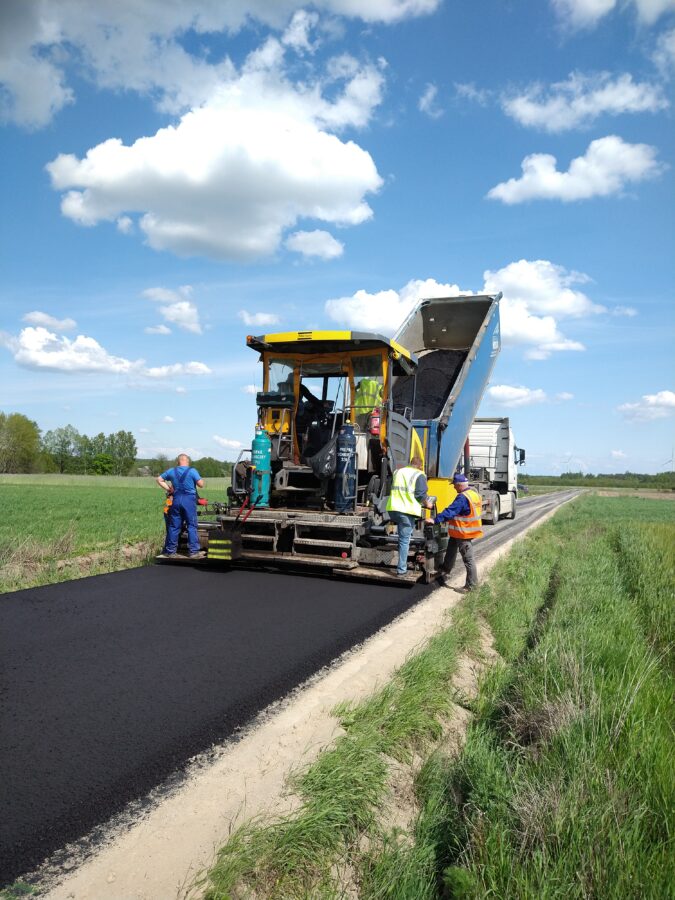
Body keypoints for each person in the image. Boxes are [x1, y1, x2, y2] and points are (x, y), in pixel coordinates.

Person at [386, 454, 434, 576]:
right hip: (406, 511)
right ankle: (401, 571)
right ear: (420, 466)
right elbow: (420, 494)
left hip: (393, 509)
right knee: (404, 541)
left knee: (401, 537)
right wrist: (427, 503)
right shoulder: (419, 475)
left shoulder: (398, 472)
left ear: (410, 463)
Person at [434, 473, 483, 591]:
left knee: (468, 559)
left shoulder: (462, 497)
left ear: (459, 485)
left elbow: (451, 511)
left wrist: (435, 520)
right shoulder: (474, 494)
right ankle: (446, 568)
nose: (454, 487)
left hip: (463, 533)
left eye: (454, 485)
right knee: (451, 549)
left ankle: (471, 586)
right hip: (460, 531)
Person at [157, 453, 205, 559]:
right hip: (189, 500)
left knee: (174, 526)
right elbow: (201, 484)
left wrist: (169, 489)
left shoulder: (172, 471)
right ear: (187, 461)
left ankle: (170, 551)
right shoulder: (192, 471)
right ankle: (193, 552)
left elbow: (159, 479)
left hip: (176, 499)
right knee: (191, 526)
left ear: (178, 462)